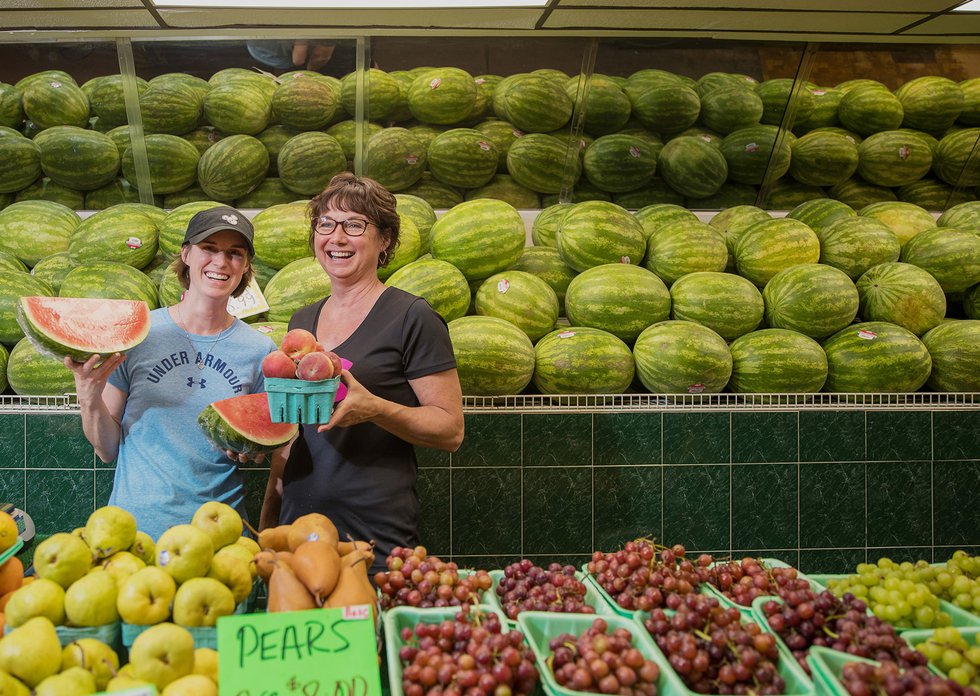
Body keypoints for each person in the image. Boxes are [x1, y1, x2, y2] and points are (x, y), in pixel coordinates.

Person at [260, 173, 464, 573]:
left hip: (375, 532)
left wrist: (375, 409)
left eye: (354, 225)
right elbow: (292, 438)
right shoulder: (303, 321)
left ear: (384, 239)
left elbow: (451, 430)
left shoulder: (412, 317)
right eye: (325, 224)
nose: (337, 238)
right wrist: (269, 517)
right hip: (299, 528)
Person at [67, 207, 277, 541]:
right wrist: (88, 394)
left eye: (235, 253)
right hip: (136, 531)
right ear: (186, 253)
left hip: (219, 535)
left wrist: (251, 448)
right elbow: (106, 450)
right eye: (209, 248)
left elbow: (262, 441)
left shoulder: (260, 351)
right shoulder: (138, 335)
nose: (221, 262)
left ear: (245, 267)